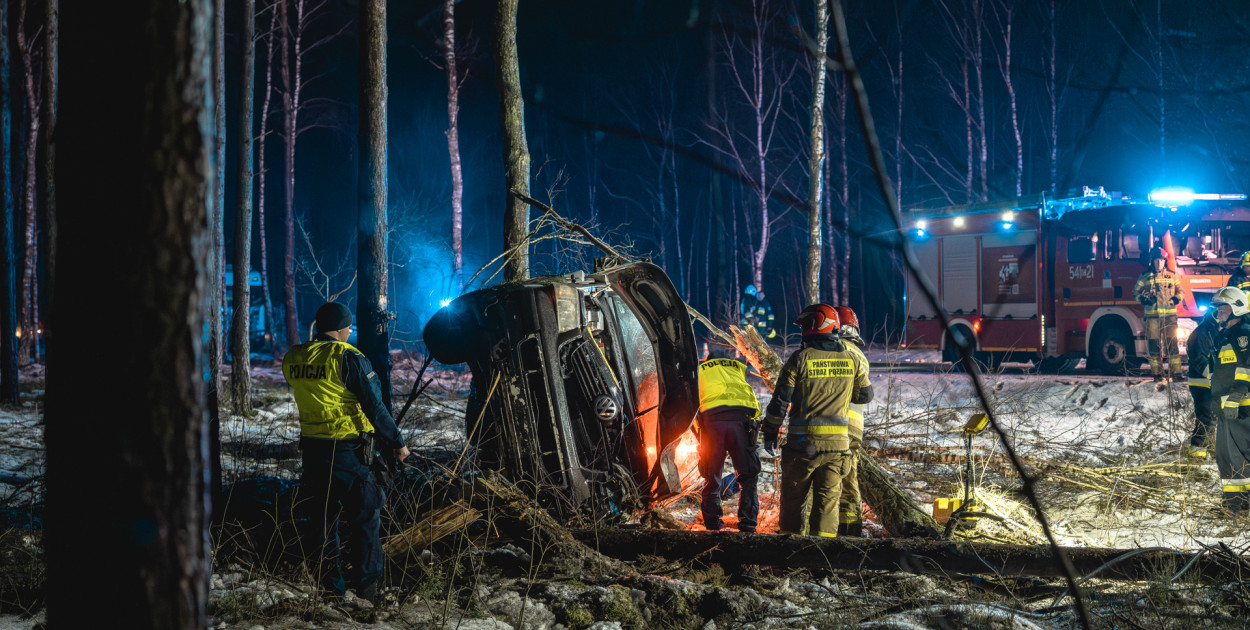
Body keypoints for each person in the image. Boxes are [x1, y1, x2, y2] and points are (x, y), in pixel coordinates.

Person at [282, 302, 410, 602]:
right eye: (348, 328)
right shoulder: (348, 357)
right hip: (349, 451)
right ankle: (368, 588)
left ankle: (331, 589)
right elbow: (374, 406)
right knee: (365, 517)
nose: (350, 332)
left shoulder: (294, 357)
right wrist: (397, 442)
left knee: (322, 521)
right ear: (340, 329)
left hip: (313, 451)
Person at [762, 304, 873, 537]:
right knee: (827, 504)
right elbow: (865, 395)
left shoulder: (800, 359)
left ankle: (790, 554)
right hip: (837, 448)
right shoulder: (851, 359)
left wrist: (770, 431)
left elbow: (780, 401)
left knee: (793, 501)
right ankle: (821, 560)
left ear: (813, 326)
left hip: (802, 447)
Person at [695, 352, 762, 533]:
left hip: (712, 424)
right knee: (748, 478)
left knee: (712, 476)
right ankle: (748, 524)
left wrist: (698, 432)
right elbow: (755, 406)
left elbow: (693, 405)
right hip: (741, 423)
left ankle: (713, 524)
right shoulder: (738, 370)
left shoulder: (700, 370)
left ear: (709, 361)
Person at [1208, 287, 1250, 514]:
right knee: (1226, 457)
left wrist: (1236, 397)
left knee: (1240, 455)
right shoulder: (1225, 335)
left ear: (1236, 308)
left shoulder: (1244, 334)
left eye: (1222, 310)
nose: (1218, 314)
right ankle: (1233, 504)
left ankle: (1243, 505)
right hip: (1226, 407)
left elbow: (1247, 369)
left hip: (1241, 406)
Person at [834, 306, 870, 537]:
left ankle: (826, 532)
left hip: (834, 426)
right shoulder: (860, 355)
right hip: (854, 429)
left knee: (827, 481)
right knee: (849, 481)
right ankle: (851, 531)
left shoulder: (834, 350)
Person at [1132, 246, 1184, 381]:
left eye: (1161, 260)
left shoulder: (1172, 275)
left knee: (1172, 345)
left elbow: (1181, 291)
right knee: (1154, 346)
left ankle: (1176, 374)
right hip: (1152, 318)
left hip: (1169, 317)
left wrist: (1176, 298)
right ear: (1151, 261)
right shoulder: (1144, 277)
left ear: (1164, 261)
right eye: (1156, 260)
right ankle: (1157, 374)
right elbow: (1135, 292)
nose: (1158, 263)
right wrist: (1143, 299)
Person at [1183, 307, 1219, 461]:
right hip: (1202, 385)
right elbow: (1201, 361)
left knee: (1211, 419)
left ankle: (1207, 450)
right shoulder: (1201, 334)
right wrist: (1215, 378)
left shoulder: (1213, 330)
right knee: (1206, 419)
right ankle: (1196, 456)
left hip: (1209, 383)